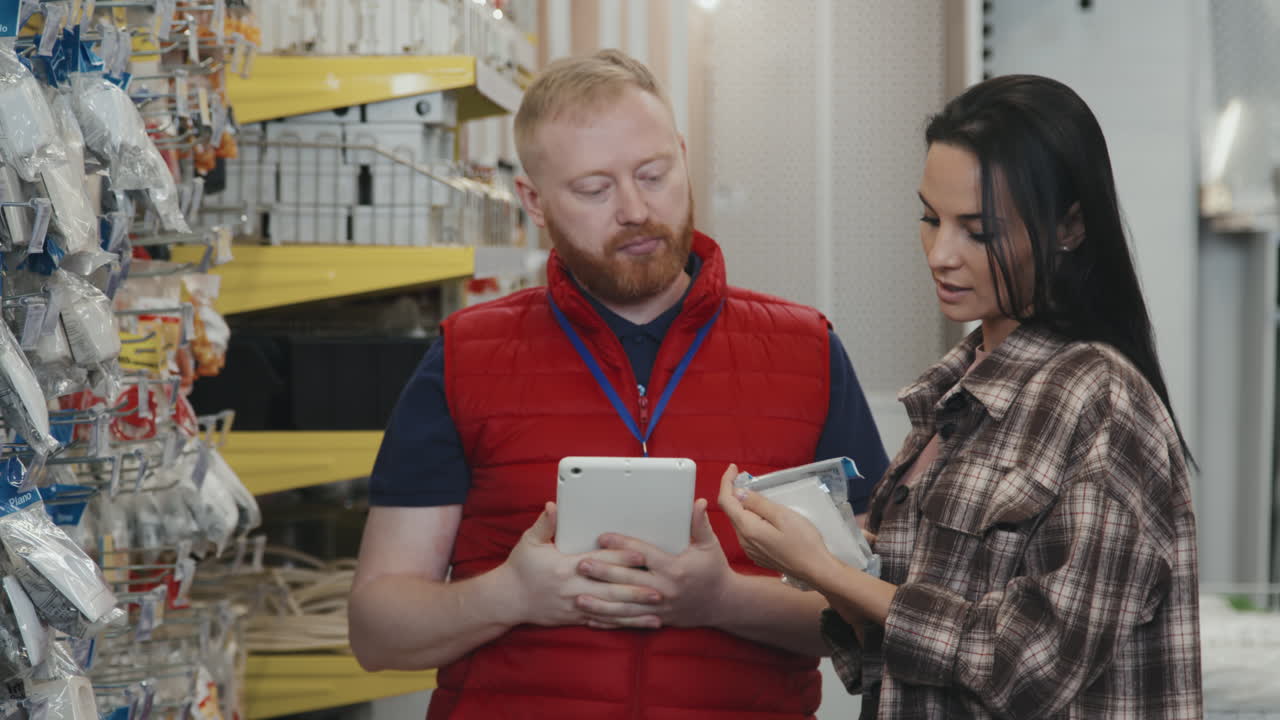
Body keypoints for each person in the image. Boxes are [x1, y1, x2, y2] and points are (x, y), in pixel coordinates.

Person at [348, 49, 891, 719]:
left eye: (654, 174)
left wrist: (723, 599)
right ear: (534, 203)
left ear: (684, 159)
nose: (635, 209)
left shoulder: (806, 350)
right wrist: (509, 597)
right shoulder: (465, 358)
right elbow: (376, 632)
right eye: (593, 189)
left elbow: (880, 616)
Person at [719, 74, 1203, 719]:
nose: (941, 253)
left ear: (1071, 227)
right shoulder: (952, 396)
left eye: (978, 230)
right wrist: (822, 552)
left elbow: (1034, 667)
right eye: (930, 218)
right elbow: (902, 648)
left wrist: (833, 574)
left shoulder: (1100, 400)